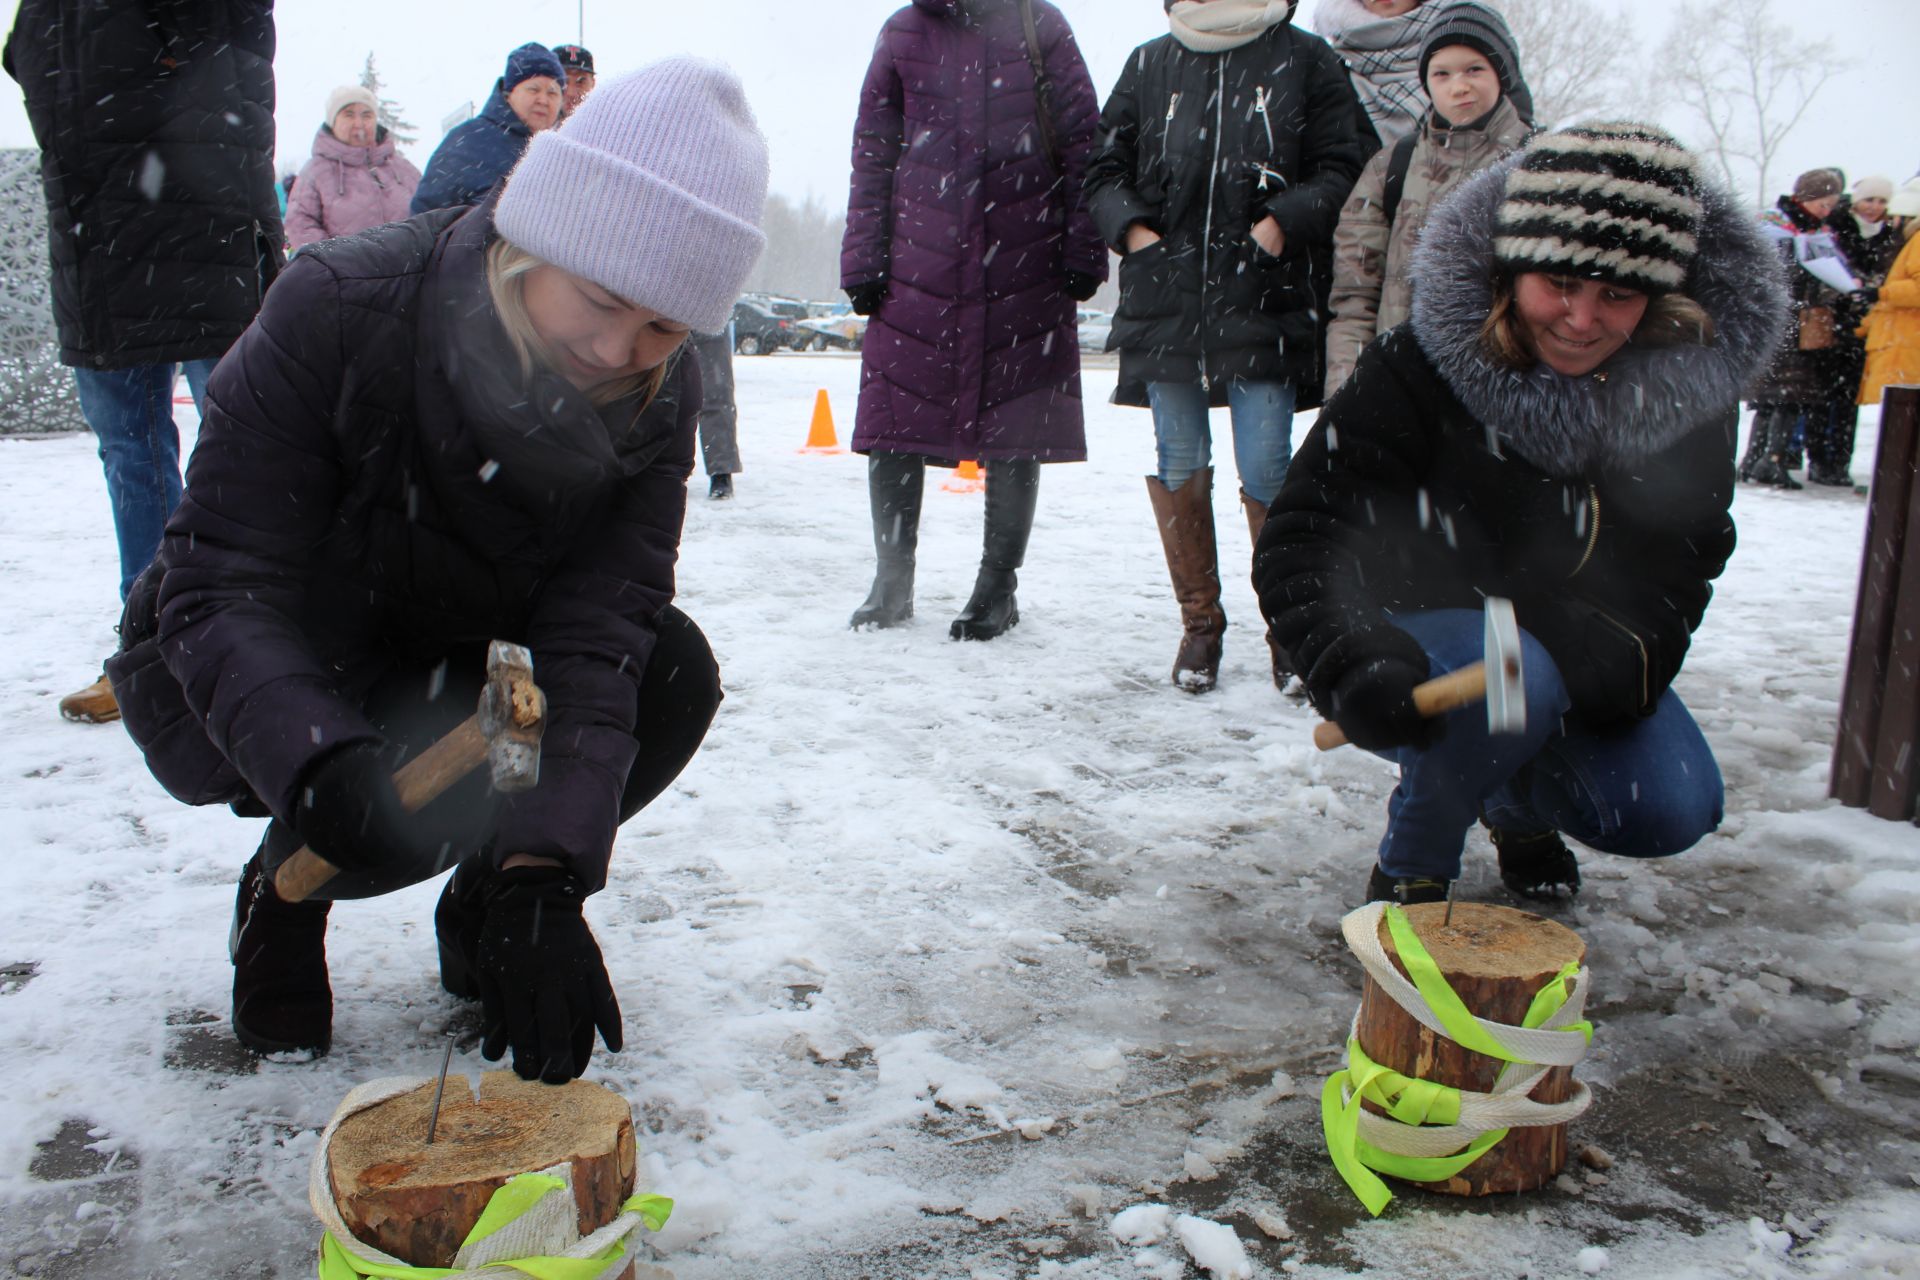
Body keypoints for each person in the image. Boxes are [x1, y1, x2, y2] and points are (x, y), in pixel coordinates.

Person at [103, 62, 770, 1081]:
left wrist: (541, 872)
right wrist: (317, 761)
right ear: (533, 237)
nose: (615, 348)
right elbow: (221, 577)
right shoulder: (340, 301)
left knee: (666, 670)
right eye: (600, 300)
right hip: (289, 651)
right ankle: (285, 890)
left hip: (468, 657)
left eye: (663, 329)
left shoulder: (652, 391)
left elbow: (601, 620)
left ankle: (488, 890)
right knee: (385, 778)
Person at [1254, 123, 1786, 905]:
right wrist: (1349, 655)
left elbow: (1685, 560)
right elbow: (1305, 534)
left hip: (1575, 652)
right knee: (1510, 677)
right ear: (1510, 267)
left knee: (1669, 805)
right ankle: (1412, 867)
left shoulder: (1688, 396)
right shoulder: (1418, 364)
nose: (1580, 318)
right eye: (1559, 282)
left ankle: (1509, 795)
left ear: (1662, 294)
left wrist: (1605, 661)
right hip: (1426, 633)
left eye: (1618, 294)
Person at [3, 0, 283, 725]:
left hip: (202, 239)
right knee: (132, 454)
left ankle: (247, 649)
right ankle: (149, 655)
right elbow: (31, 62)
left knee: (243, 450)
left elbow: (241, 79)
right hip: (95, 252)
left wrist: (260, 232)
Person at [1086, 0, 1365, 691]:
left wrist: (1279, 225)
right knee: (1179, 458)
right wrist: (1137, 236)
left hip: (1265, 298)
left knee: (1270, 470)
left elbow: (1344, 163)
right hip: (1166, 299)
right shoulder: (1151, 60)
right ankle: (1200, 627)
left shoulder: (1304, 58)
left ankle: (1288, 631)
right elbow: (1102, 170)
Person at [842, 0, 1106, 640]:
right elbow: (872, 152)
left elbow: (1083, 146)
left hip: (1023, 263)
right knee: (893, 423)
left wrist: (1082, 248)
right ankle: (892, 579)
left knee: (1016, 432)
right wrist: (863, 259)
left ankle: (997, 586)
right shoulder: (903, 30)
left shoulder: (1039, 25)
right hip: (917, 266)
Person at [1323, 2, 1533, 398]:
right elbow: (1355, 296)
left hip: (1502, 392)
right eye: (1442, 73)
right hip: (1402, 390)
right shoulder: (1390, 168)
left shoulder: (1539, 164)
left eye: (1474, 69)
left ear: (1501, 73)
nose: (1459, 86)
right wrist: (1345, 396)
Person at [1741, 168, 1867, 490]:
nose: (1826, 212)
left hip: (1802, 325)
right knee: (1779, 396)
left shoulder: (1818, 232)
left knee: (1785, 396)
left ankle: (1760, 459)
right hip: (1784, 322)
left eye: (1830, 205)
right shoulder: (1774, 228)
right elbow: (1769, 275)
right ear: (1806, 198)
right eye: (1822, 204)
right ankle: (1767, 461)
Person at [1314, 0, 1530, 151]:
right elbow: (1331, 165)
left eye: (1472, 71)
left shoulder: (1474, 34)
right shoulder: (1327, 63)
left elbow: (1514, 137)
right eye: (1442, 73)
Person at [411, 43, 565, 215]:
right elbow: (425, 216)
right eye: (533, 89)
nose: (543, 100)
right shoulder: (468, 141)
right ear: (509, 93)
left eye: (552, 93)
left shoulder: (564, 150)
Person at [1818, 175, 1901, 486]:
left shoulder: (1891, 236)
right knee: (1824, 395)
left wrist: (1874, 288)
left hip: (1868, 323)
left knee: (1848, 399)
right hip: (1835, 319)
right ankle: (1819, 458)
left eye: (1881, 201)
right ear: (1857, 200)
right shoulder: (1836, 227)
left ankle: (1838, 463)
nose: (1874, 207)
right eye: (1869, 200)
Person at [285, 84, 423, 250]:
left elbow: (429, 211)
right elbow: (299, 223)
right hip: (348, 274)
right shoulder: (315, 171)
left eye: (367, 115)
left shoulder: (402, 167)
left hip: (412, 271)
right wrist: (335, 262)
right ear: (333, 122)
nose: (359, 123)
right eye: (348, 114)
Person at [1858, 184, 1920, 408]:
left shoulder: (1917, 241)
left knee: (1892, 420)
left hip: (1902, 346)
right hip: (1898, 341)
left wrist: (1881, 293)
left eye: (1893, 218)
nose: (1891, 224)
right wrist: (1861, 327)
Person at [690, 327, 742, 499]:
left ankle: (721, 472)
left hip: (711, 312)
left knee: (716, 393)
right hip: (660, 309)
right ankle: (662, 469)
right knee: (663, 394)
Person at [553, 43, 596, 117]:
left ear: (593, 84)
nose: (571, 93)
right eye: (563, 82)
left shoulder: (607, 125)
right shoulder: (532, 125)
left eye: (580, 82)